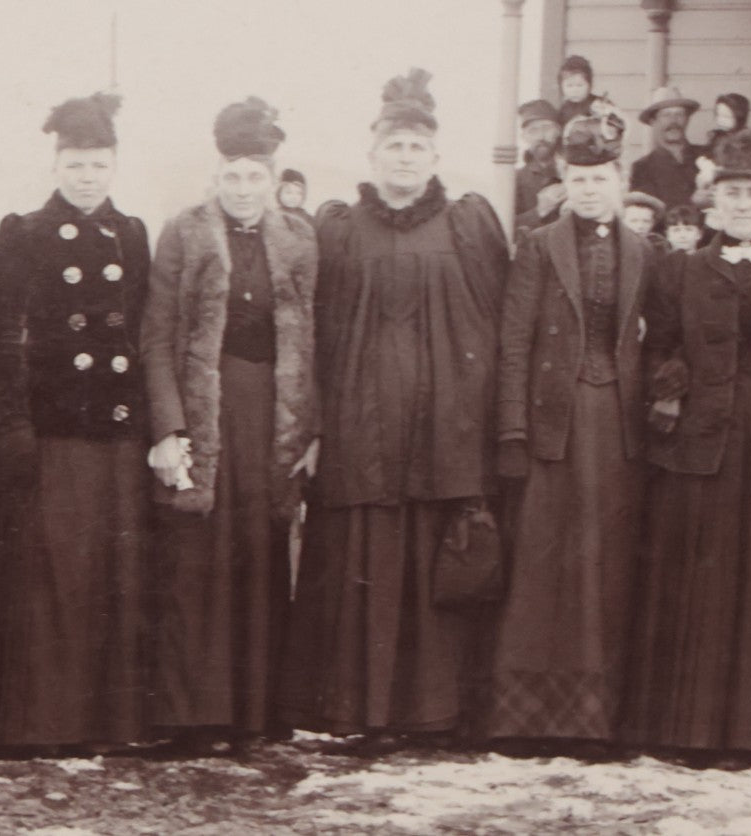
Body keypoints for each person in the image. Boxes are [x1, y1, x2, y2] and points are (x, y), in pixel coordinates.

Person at [277, 69, 509, 750]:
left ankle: (434, 714)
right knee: (365, 561)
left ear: (435, 157)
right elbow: (312, 332)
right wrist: (315, 423)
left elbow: (497, 323)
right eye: (393, 147)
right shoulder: (340, 229)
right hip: (361, 424)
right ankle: (360, 710)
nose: (404, 159)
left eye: (416, 148)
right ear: (372, 156)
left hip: (445, 429)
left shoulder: (467, 223)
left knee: (437, 563)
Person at [622, 127, 751, 763]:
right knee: (700, 578)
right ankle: (686, 730)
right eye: (733, 192)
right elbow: (657, 345)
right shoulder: (680, 268)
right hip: (701, 442)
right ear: (714, 201)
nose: (743, 204)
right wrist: (672, 381)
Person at [0, 91, 153, 755]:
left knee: (112, 574)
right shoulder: (23, 231)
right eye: (76, 165)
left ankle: (110, 726)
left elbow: (142, 332)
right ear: (56, 165)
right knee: (53, 576)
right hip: (55, 431)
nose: (87, 177)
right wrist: (14, 421)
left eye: (99, 165)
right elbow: (5, 334)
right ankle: (44, 724)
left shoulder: (131, 233)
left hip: (115, 431)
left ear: (114, 166)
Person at [142, 96, 318, 755]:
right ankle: (193, 716)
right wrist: (168, 428)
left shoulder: (299, 239)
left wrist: (311, 428)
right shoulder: (184, 233)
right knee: (197, 556)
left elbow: (314, 339)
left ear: (273, 180)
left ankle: (254, 713)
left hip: (271, 412)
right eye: (232, 176)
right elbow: (157, 336)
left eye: (255, 177)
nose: (243, 189)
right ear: (215, 177)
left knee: (260, 553)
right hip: (204, 411)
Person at [491, 114, 653, 757]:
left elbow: (662, 339)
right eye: (579, 179)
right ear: (564, 179)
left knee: (606, 563)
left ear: (620, 179)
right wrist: (512, 428)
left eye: (600, 178)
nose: (589, 190)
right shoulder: (538, 246)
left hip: (618, 426)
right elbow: (513, 343)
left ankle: (597, 721)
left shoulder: (646, 252)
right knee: (543, 563)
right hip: (553, 424)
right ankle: (525, 721)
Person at [630, 86, 706, 211]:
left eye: (679, 114)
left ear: (687, 119)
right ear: (653, 121)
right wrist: (693, 203)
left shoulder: (706, 155)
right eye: (666, 115)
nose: (674, 121)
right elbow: (647, 215)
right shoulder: (643, 168)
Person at [516, 99, 564, 231]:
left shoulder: (572, 172)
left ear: (558, 131)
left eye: (547, 128)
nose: (541, 137)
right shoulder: (515, 180)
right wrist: (539, 211)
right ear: (524, 137)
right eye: (533, 131)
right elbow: (504, 230)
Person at [555, 56, 603, 126]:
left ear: (590, 85)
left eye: (580, 85)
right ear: (561, 87)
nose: (575, 90)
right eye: (569, 86)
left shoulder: (598, 103)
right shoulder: (564, 109)